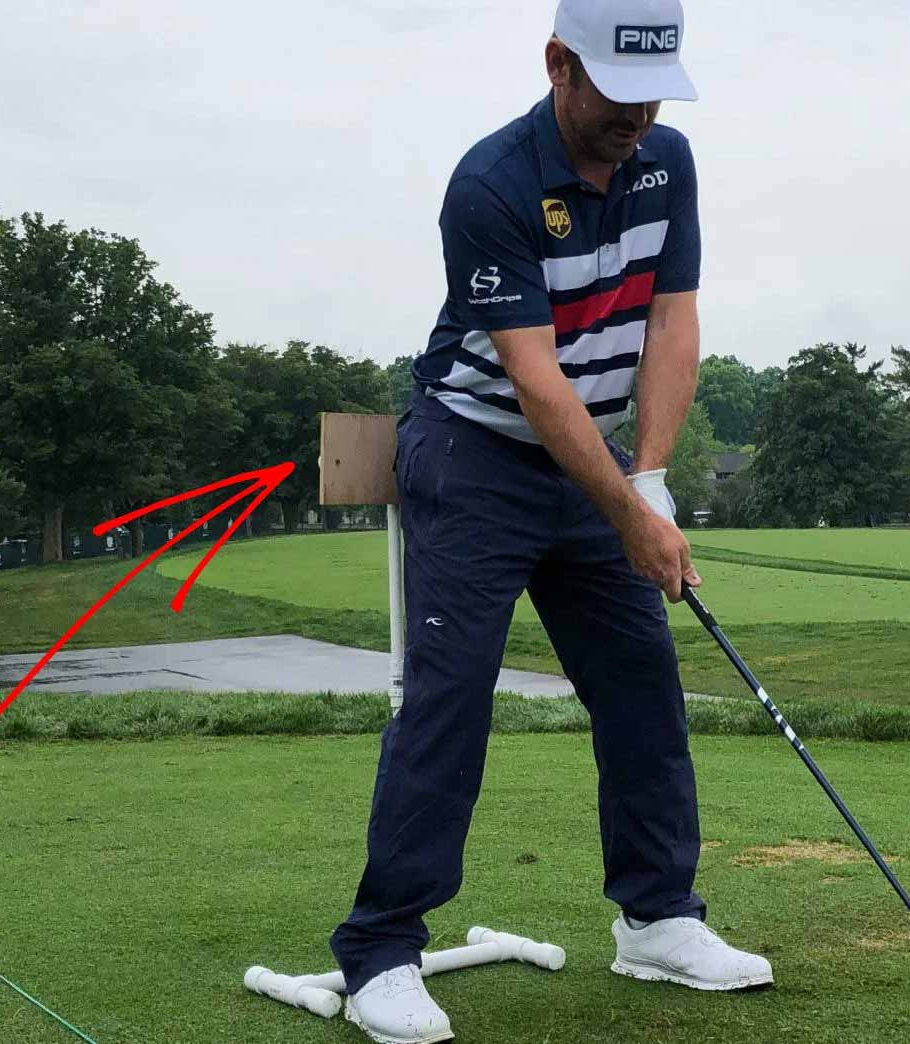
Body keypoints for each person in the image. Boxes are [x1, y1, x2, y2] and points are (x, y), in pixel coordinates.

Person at [329, 1, 769, 1040]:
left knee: (641, 685)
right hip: (473, 451)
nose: (636, 117)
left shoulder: (667, 161)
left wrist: (649, 480)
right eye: (616, 91)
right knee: (450, 697)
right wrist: (628, 511)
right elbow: (535, 381)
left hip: (590, 459)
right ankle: (381, 953)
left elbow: (672, 318)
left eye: (652, 94)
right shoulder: (490, 183)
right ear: (558, 64)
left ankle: (657, 919)